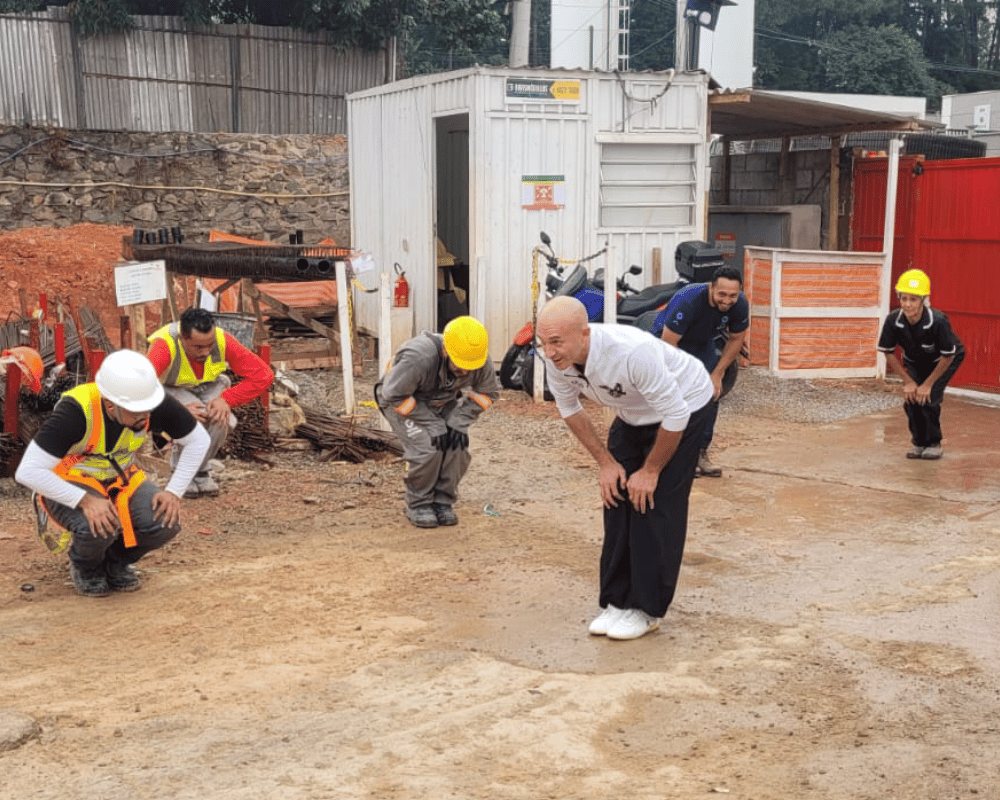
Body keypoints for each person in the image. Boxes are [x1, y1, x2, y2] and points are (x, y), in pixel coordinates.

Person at [535, 296, 714, 641]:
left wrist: (650, 471)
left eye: (557, 341)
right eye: (544, 342)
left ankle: (647, 609)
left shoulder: (631, 352)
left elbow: (676, 414)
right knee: (615, 494)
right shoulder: (557, 361)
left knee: (653, 501)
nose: (550, 351)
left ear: (584, 334)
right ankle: (618, 601)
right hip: (634, 413)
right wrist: (605, 463)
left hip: (685, 406)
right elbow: (569, 408)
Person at [14, 350, 210, 597]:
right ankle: (86, 567)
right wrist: (84, 501)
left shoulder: (147, 400)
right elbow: (28, 471)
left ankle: (115, 563)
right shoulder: (76, 412)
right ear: (110, 405)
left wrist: (173, 491)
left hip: (121, 479)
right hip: (71, 480)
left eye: (148, 409)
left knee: (165, 521)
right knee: (99, 524)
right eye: (137, 412)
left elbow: (198, 440)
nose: (146, 417)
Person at [375, 316, 500, 529]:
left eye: (471, 367)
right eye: (460, 366)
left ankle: (443, 502)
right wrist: (434, 426)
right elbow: (392, 395)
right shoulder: (419, 357)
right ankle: (419, 503)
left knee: (456, 445)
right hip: (403, 400)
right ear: (445, 352)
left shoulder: (476, 357)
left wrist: (458, 423)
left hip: (442, 401)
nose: (466, 372)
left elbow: (488, 393)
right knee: (428, 448)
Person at [147, 307, 273, 497]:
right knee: (193, 420)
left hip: (210, 387)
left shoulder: (223, 339)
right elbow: (143, 386)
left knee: (223, 420)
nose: (206, 351)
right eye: (198, 347)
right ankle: (182, 475)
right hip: (170, 390)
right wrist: (176, 410)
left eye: (209, 345)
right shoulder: (164, 345)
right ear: (182, 338)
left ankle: (199, 471)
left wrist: (227, 399)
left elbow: (263, 375)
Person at [654, 265, 749, 478]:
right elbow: (669, 344)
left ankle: (699, 453)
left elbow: (736, 339)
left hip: (702, 342)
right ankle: (671, 456)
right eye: (722, 294)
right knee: (676, 395)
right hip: (668, 342)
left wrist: (717, 374)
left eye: (732, 295)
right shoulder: (689, 299)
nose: (727, 300)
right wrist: (689, 379)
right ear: (711, 288)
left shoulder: (740, 304)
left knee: (710, 394)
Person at [877, 268, 964, 460]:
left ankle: (933, 443)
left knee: (928, 398)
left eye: (913, 300)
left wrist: (928, 384)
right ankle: (918, 442)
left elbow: (948, 355)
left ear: (923, 300)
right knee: (912, 399)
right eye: (904, 299)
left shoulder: (938, 321)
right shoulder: (893, 320)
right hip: (915, 360)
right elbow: (888, 352)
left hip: (943, 359)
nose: (907, 305)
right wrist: (908, 381)